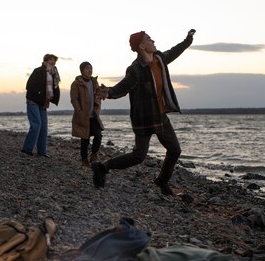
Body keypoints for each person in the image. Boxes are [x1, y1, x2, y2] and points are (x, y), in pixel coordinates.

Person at [93, 29, 195, 195]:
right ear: (141, 45)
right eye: (149, 39)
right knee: (138, 156)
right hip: (144, 118)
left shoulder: (160, 59)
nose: (153, 40)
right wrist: (109, 92)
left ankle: (162, 181)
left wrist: (187, 40)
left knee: (175, 150)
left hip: (160, 116)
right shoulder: (135, 69)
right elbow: (124, 86)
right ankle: (102, 166)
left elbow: (173, 52)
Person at [21, 54, 61, 157]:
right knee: (36, 124)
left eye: (54, 61)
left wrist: (55, 98)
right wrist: (39, 93)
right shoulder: (38, 71)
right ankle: (27, 149)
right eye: (50, 60)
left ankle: (42, 152)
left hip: (43, 103)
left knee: (43, 127)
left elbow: (55, 88)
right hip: (33, 101)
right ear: (45, 61)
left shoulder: (54, 74)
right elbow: (29, 85)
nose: (53, 62)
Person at [70, 61, 104, 167]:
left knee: (98, 135)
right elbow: (74, 99)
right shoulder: (76, 83)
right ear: (82, 70)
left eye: (91, 68)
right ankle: (84, 160)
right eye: (87, 68)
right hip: (82, 115)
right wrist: (79, 111)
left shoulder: (94, 82)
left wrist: (97, 107)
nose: (90, 70)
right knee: (85, 138)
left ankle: (94, 155)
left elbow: (98, 96)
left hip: (93, 115)